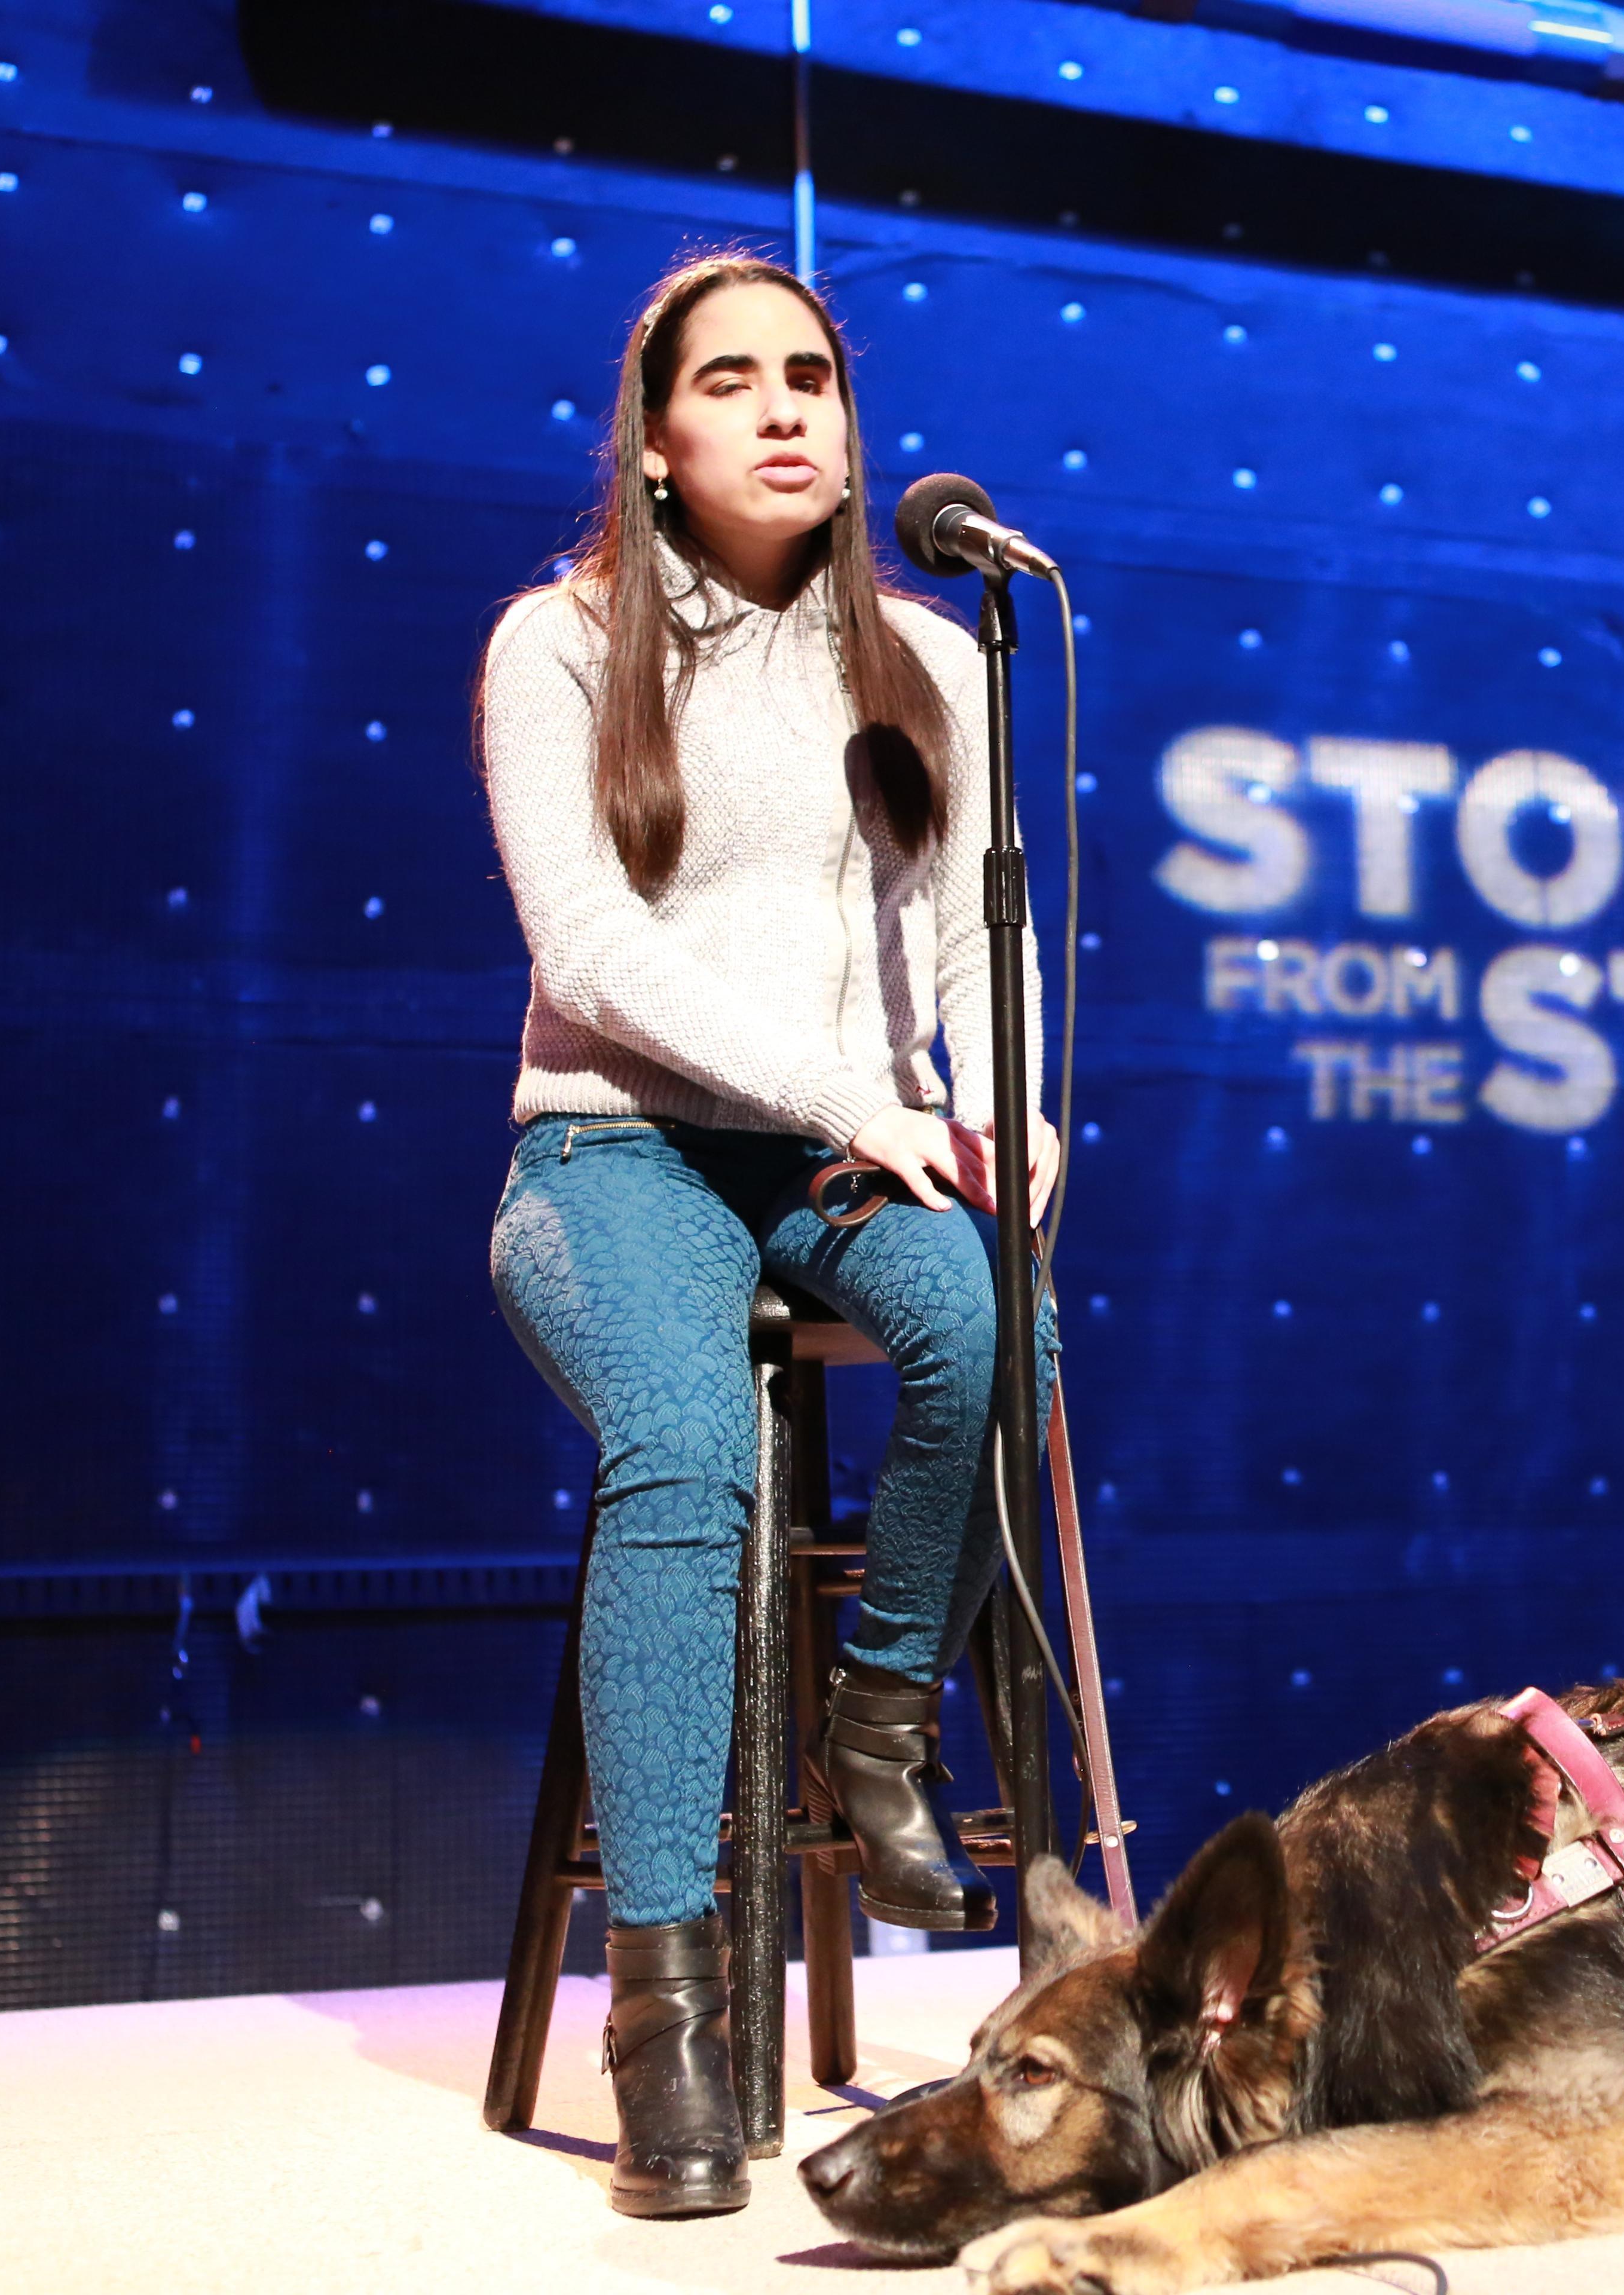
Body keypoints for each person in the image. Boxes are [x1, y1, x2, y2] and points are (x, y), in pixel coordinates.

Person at [472, 249, 1060, 2219]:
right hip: (617, 1151)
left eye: (811, 375)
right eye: (730, 380)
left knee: (1003, 1328)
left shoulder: (935, 659)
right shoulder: (557, 644)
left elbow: (972, 939)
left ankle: (877, 1725)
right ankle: (669, 2015)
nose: (786, 407)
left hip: (839, 1150)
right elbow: (589, 950)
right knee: (688, 1456)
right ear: (654, 441)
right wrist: (851, 1097)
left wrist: (1008, 1103)